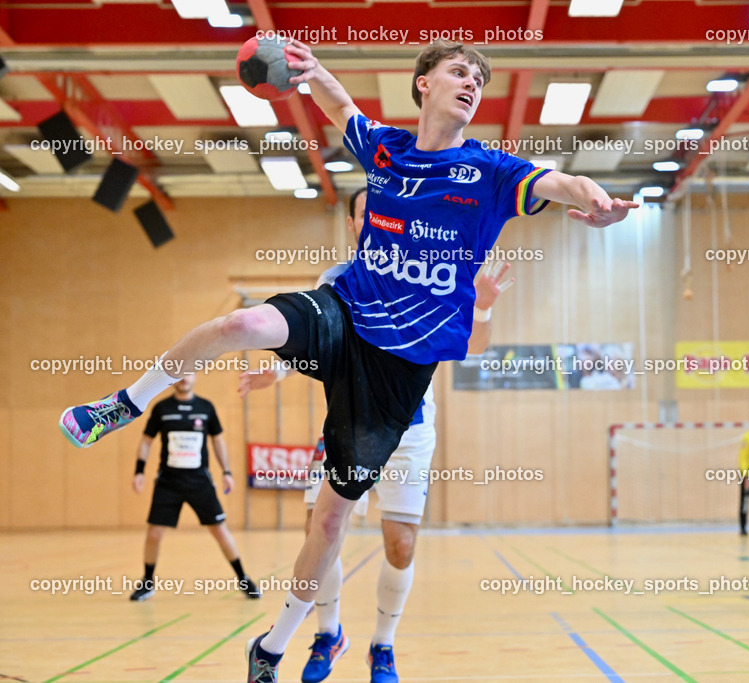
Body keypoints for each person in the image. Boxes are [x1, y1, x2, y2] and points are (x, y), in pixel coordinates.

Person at [58, 38, 637, 683]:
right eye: (457, 71)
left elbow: (563, 180)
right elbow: (339, 108)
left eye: (479, 76)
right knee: (242, 322)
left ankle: (274, 646)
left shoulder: (493, 172)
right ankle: (124, 402)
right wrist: (313, 70)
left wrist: (597, 200)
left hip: (399, 375)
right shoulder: (386, 148)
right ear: (424, 84)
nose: (471, 81)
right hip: (347, 312)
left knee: (330, 519)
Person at [237, 188, 512, 683]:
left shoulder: (433, 276)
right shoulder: (339, 280)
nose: (374, 221)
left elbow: (472, 346)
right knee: (318, 532)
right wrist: (274, 374)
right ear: (351, 225)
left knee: (400, 545)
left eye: (382, 213)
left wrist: (485, 308)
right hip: (348, 424)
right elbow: (319, 342)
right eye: (365, 215)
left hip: (410, 432)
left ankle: (382, 647)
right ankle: (328, 633)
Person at [129, 375, 261, 601]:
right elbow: (146, 441)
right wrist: (139, 471)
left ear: (195, 376)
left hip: (200, 482)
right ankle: (147, 582)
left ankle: (243, 578)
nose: (184, 378)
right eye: (179, 374)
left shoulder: (205, 407)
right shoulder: (162, 408)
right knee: (154, 533)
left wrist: (227, 472)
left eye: (188, 373)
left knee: (219, 530)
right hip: (168, 482)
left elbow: (218, 441)